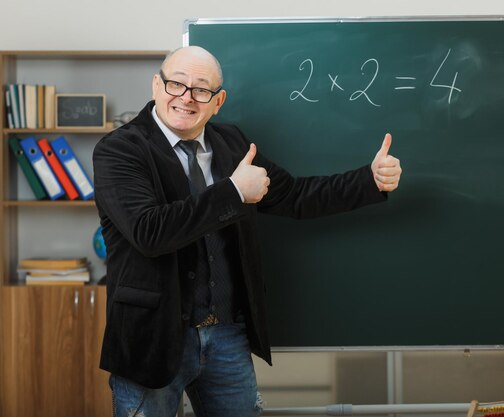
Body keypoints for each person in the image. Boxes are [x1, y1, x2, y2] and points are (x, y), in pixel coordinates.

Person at [93, 46, 402, 417]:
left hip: (227, 336)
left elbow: (296, 196)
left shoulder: (233, 144)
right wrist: (234, 192)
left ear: (218, 101)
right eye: (176, 84)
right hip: (152, 338)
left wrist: (369, 180)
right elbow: (149, 231)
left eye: (201, 90)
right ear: (157, 86)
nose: (187, 98)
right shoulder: (119, 150)